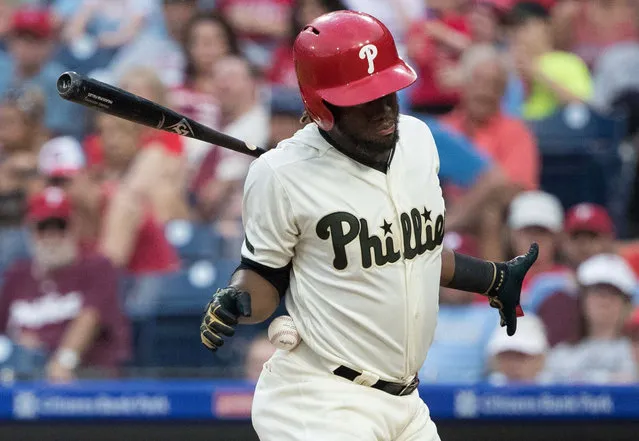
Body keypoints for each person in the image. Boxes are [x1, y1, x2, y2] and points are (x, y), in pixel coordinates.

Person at [199, 11, 538, 441]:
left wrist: (491, 277)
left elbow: (410, 252)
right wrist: (238, 298)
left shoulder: (417, 140)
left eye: (389, 90)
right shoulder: (280, 174)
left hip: (407, 404)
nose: (384, 109)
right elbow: (264, 276)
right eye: (364, 97)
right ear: (322, 105)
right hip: (322, 399)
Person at [0, 187, 131, 382]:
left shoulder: (97, 267)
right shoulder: (17, 274)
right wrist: (19, 348)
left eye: (60, 227)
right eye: (44, 227)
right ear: (31, 230)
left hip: (85, 377)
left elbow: (90, 318)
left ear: (74, 228)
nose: (52, 237)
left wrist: (64, 360)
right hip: (22, 377)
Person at [543, 253, 638, 384]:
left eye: (613, 294)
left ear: (626, 305)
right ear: (582, 300)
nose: (604, 301)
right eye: (597, 293)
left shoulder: (634, 354)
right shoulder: (560, 355)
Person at [507, 1, 592, 120]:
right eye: (513, 29)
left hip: (552, 132)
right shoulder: (505, 65)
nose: (518, 34)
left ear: (545, 26)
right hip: (513, 130)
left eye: (524, 26)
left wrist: (537, 74)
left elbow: (582, 105)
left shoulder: (569, 63)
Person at [486, 314, 549, 385]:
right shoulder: (487, 390)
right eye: (506, 356)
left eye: (521, 356)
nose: (512, 365)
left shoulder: (555, 390)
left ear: (540, 359)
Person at [562, 202, 616, 270]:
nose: (584, 244)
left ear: (608, 239)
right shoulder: (555, 277)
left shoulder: (624, 273)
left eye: (592, 236)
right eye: (575, 237)